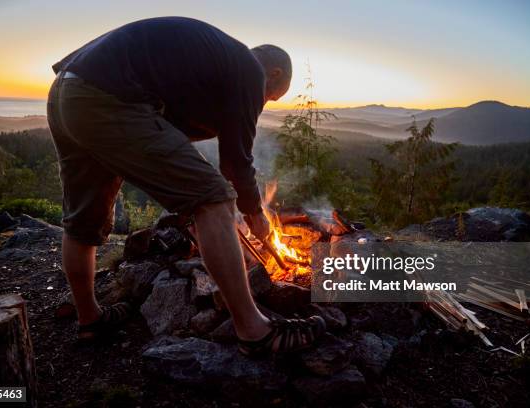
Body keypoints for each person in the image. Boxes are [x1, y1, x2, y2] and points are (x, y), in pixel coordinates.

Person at [47, 16, 325, 356]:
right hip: (107, 98)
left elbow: (169, 135)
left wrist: (206, 181)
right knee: (213, 199)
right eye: (270, 97)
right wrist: (253, 213)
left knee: (83, 219)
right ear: (275, 74)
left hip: (66, 92)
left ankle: (90, 320)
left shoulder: (214, 64)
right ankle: (254, 331)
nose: (262, 103)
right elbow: (237, 164)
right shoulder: (250, 70)